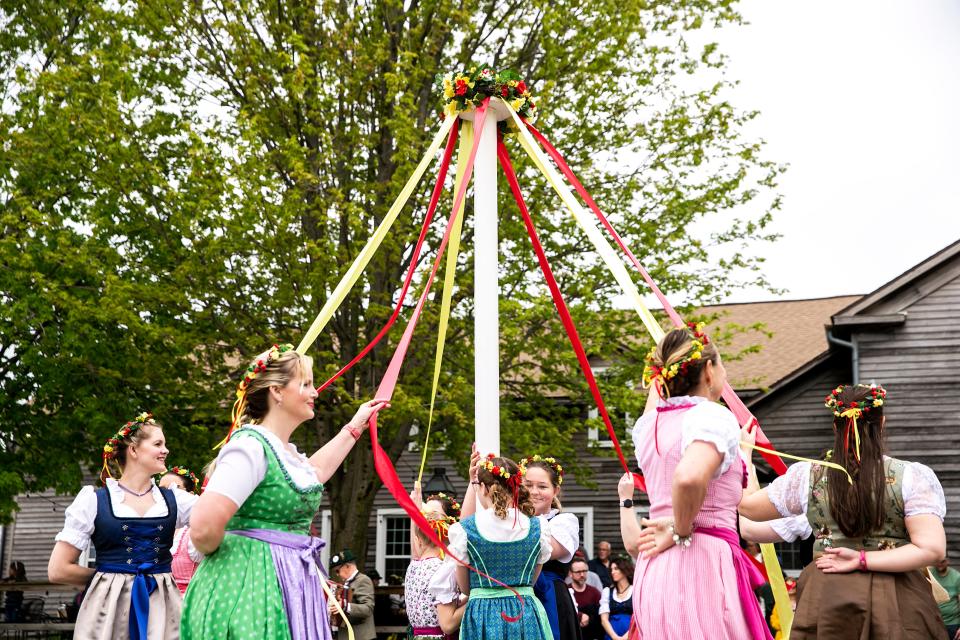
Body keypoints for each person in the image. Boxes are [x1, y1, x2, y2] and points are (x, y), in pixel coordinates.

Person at [181, 343, 388, 640]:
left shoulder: (282, 452)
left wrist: (355, 426)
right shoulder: (249, 447)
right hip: (250, 585)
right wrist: (233, 560)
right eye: (306, 384)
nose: (315, 392)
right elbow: (202, 527)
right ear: (277, 391)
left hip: (288, 580)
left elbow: (314, 473)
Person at [738, 382, 948, 639]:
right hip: (897, 595)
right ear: (881, 425)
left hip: (829, 596)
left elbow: (747, 508)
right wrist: (863, 560)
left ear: (835, 428)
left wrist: (744, 455)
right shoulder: (911, 477)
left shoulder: (807, 477)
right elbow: (932, 549)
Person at [618, 324, 771, 639]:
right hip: (700, 564)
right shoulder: (712, 417)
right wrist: (680, 529)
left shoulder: (648, 426)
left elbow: (660, 407)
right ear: (710, 371)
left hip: (655, 571)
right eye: (722, 364)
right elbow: (688, 478)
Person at [48, 412, 198, 639]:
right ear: (134, 450)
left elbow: (220, 517)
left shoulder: (175, 499)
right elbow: (58, 569)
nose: (166, 450)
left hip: (164, 609)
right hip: (107, 611)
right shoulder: (93, 500)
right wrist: (110, 581)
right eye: (158, 444)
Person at [446, 454, 553, 639]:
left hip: (482, 615)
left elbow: (465, 588)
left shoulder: (464, 530)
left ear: (482, 488)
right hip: (524, 611)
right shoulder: (538, 527)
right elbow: (531, 581)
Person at [522, 454, 581, 640]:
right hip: (515, 597)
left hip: (550, 597)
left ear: (555, 490)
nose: (534, 491)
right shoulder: (511, 519)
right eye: (528, 485)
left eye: (542, 486)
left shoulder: (563, 521)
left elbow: (546, 551)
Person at [405, 511, 459, 640]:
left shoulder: (412, 567)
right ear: (446, 539)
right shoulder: (443, 569)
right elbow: (448, 621)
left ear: (418, 540)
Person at [157, 466, 202, 595]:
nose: (167, 494)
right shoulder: (155, 527)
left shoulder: (193, 532)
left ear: (190, 494)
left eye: (175, 489)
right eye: (162, 490)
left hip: (185, 604)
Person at [329, 550, 376, 640]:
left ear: (347, 566)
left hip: (361, 636)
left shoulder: (363, 580)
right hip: (348, 635)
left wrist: (345, 606)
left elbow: (368, 609)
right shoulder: (345, 584)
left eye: (338, 571)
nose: (337, 574)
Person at [598, 557, 633, 640]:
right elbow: (604, 620)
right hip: (611, 636)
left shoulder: (635, 590)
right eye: (611, 569)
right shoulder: (607, 592)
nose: (612, 572)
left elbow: (639, 619)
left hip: (631, 635)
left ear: (625, 570)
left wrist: (625, 637)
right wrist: (615, 637)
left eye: (616, 569)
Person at [568, 558, 602, 640]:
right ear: (570, 574)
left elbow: (600, 618)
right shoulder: (565, 592)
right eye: (578, 572)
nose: (582, 574)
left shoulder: (595, 592)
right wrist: (579, 616)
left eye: (584, 571)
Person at [932, 556, 960, 640]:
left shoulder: (957, 577)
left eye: (942, 561)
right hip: (934, 623)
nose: (940, 564)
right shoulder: (929, 574)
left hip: (952, 624)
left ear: (948, 561)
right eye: (937, 561)